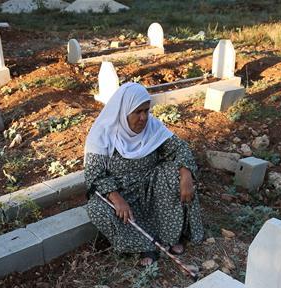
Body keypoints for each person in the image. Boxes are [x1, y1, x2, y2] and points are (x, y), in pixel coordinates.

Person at [84, 82, 203, 266]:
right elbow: (94, 175)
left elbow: (179, 148)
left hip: (152, 188)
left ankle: (170, 235)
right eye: (137, 112)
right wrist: (116, 198)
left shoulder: (153, 127)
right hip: (122, 192)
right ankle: (143, 244)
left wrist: (186, 175)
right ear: (124, 112)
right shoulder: (104, 133)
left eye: (146, 111)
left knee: (175, 173)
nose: (143, 117)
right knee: (96, 209)